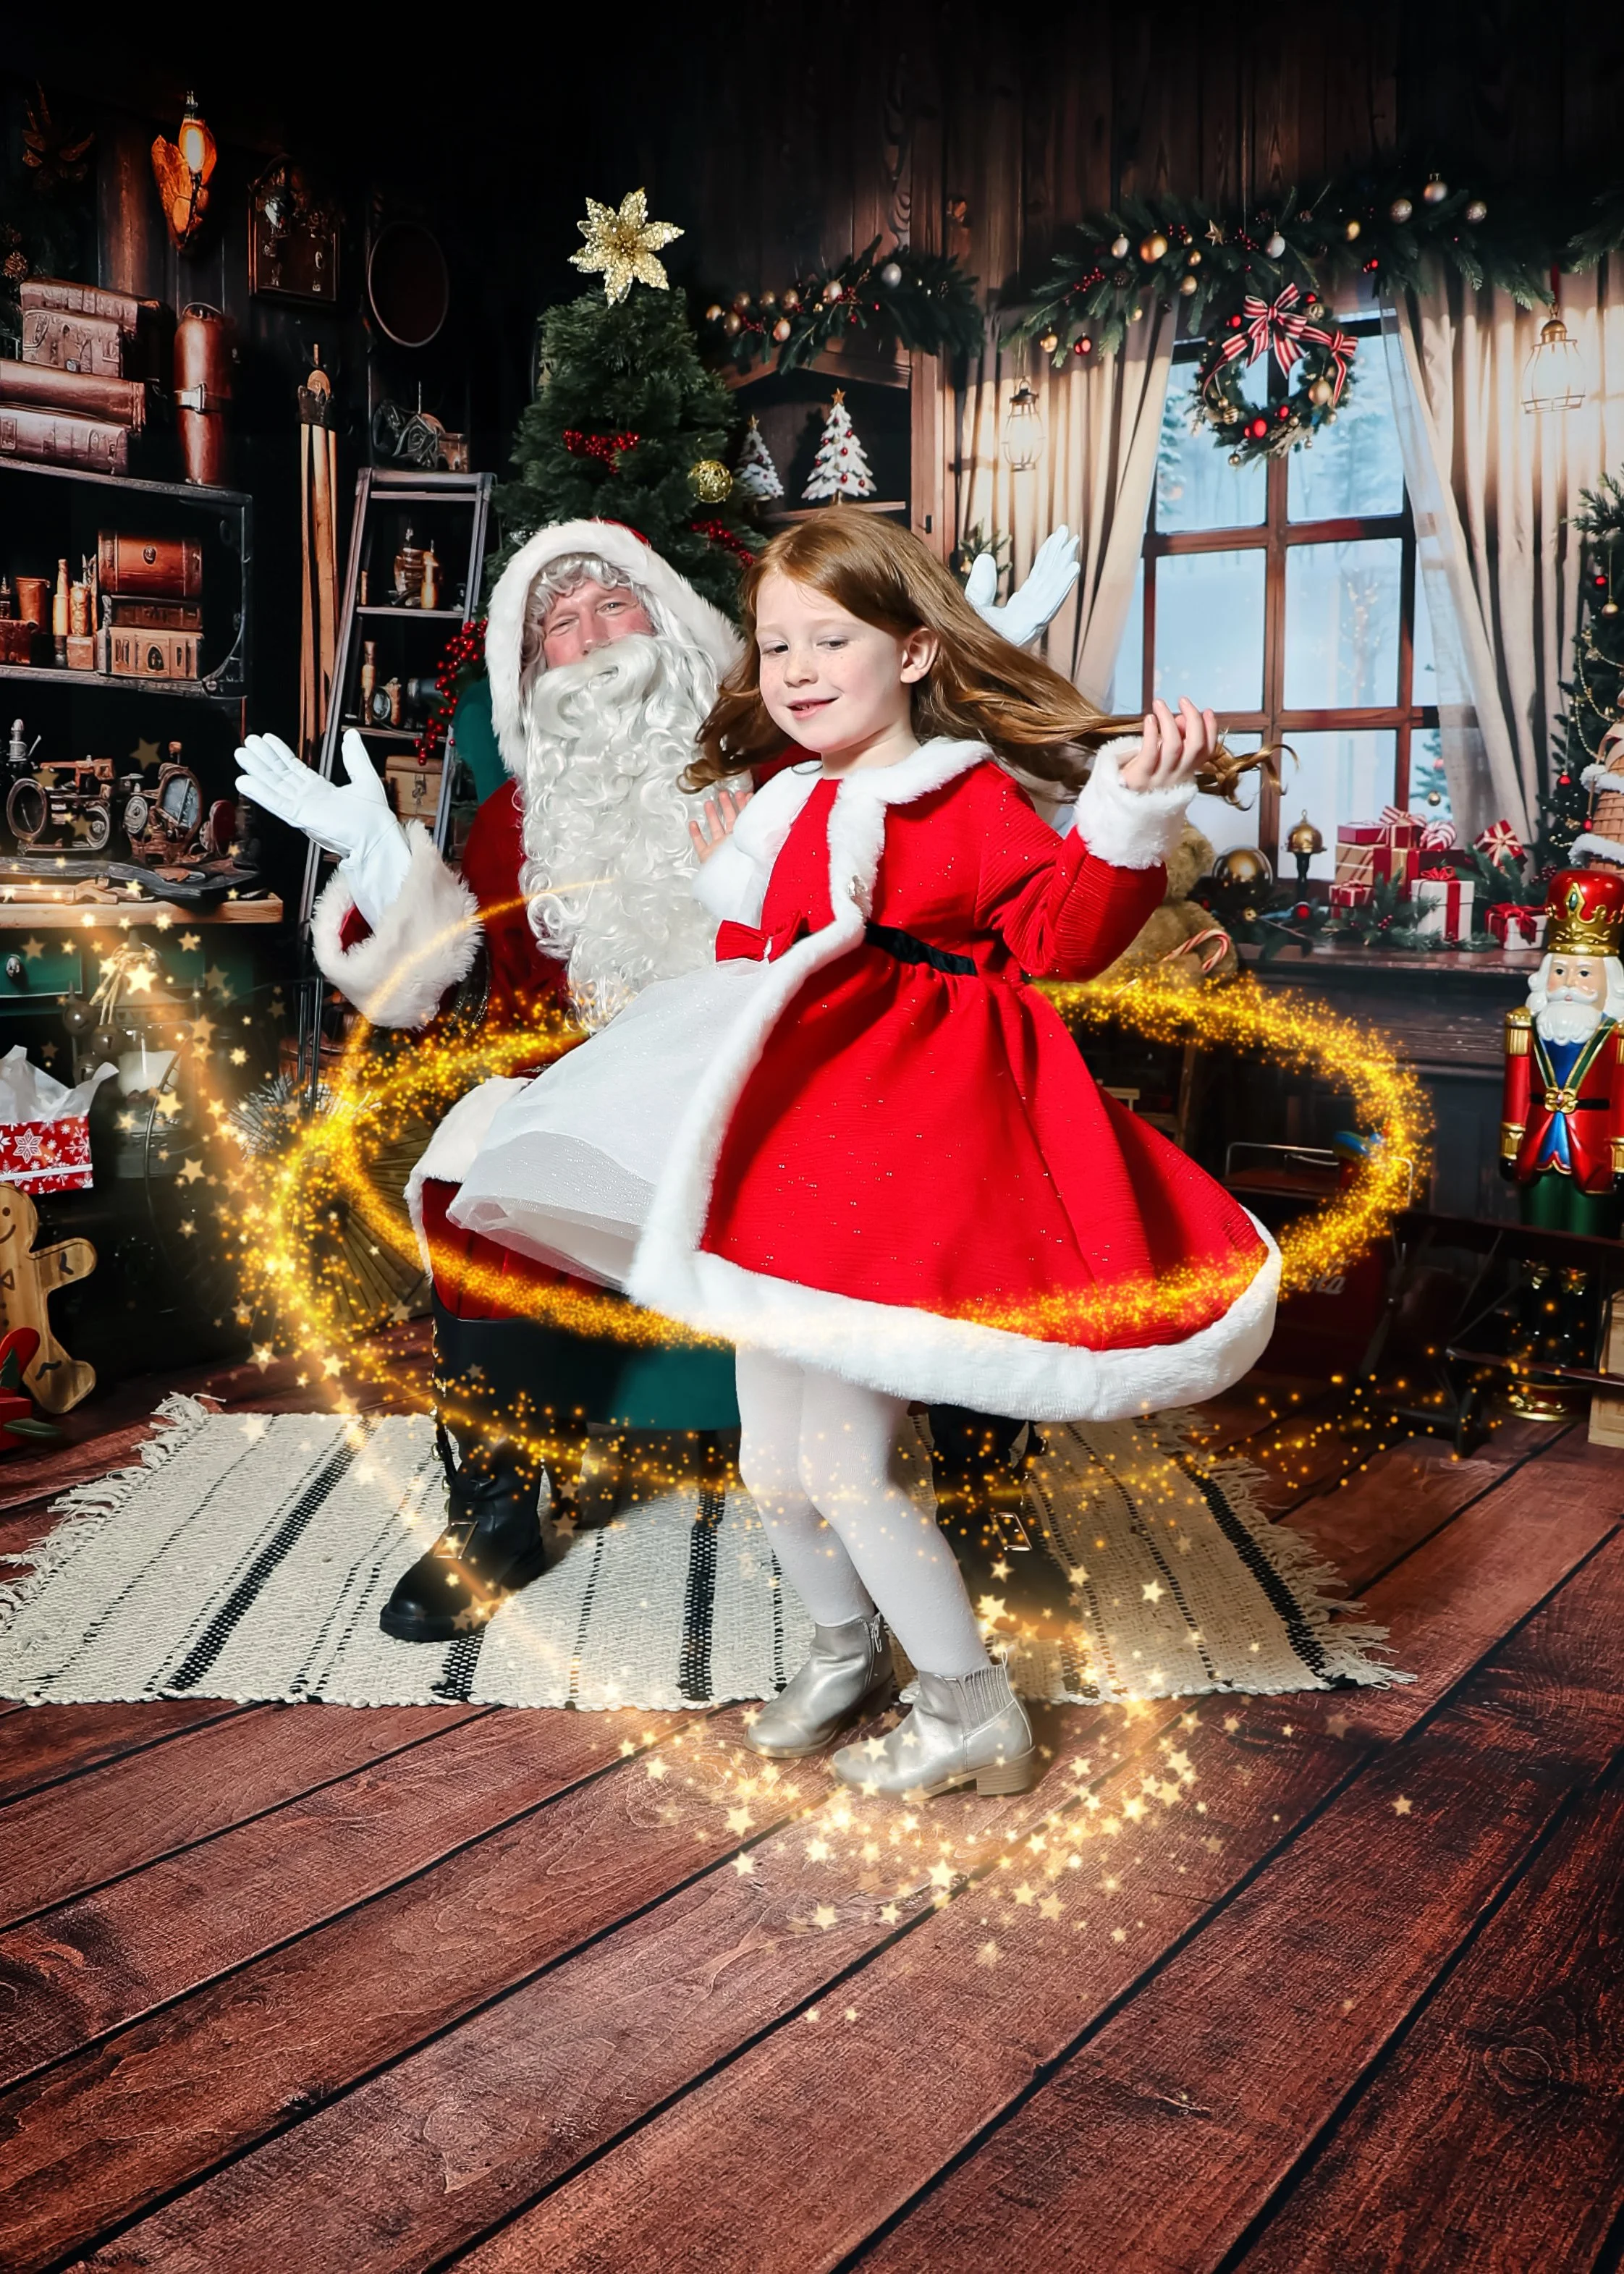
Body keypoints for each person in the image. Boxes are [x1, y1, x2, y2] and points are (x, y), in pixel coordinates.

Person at [447, 515, 1279, 1798]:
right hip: (792, 1168)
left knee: (842, 1462)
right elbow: (748, 979)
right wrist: (726, 884)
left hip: (901, 1169)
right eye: (776, 642)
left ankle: (969, 1705)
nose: (795, 666)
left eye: (829, 638)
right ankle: (847, 1655)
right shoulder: (787, 798)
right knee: (770, 1462)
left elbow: (1059, 940)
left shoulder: (961, 793)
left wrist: (1128, 816)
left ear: (912, 651)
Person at [235, 519, 1083, 1644]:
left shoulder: (797, 769)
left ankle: (988, 1499)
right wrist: (388, 868)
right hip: (590, 1095)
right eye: (555, 629)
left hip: (787, 1080)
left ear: (671, 622)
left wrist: (965, 700)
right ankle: (494, 1508)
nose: (586, 645)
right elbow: (433, 990)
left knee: (957, 1152)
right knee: (469, 1162)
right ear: (531, 680)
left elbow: (956, 880)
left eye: (610, 607)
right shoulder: (507, 826)